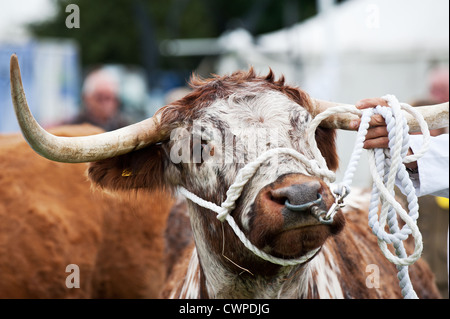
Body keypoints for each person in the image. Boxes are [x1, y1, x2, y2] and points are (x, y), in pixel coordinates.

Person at [64, 67, 132, 131]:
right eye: (100, 98)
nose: (106, 104)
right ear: (86, 98)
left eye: (109, 98)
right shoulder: (72, 128)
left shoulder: (126, 127)